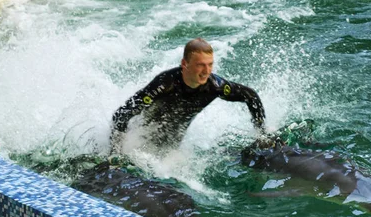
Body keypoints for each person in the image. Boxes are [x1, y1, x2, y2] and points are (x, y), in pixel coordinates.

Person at [109, 38, 267, 156]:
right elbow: (121, 115)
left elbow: (250, 96)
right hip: (140, 144)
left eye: (210, 64)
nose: (206, 71)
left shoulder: (215, 86)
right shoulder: (163, 85)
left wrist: (261, 134)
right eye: (200, 65)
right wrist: (116, 154)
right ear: (185, 64)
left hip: (171, 150)